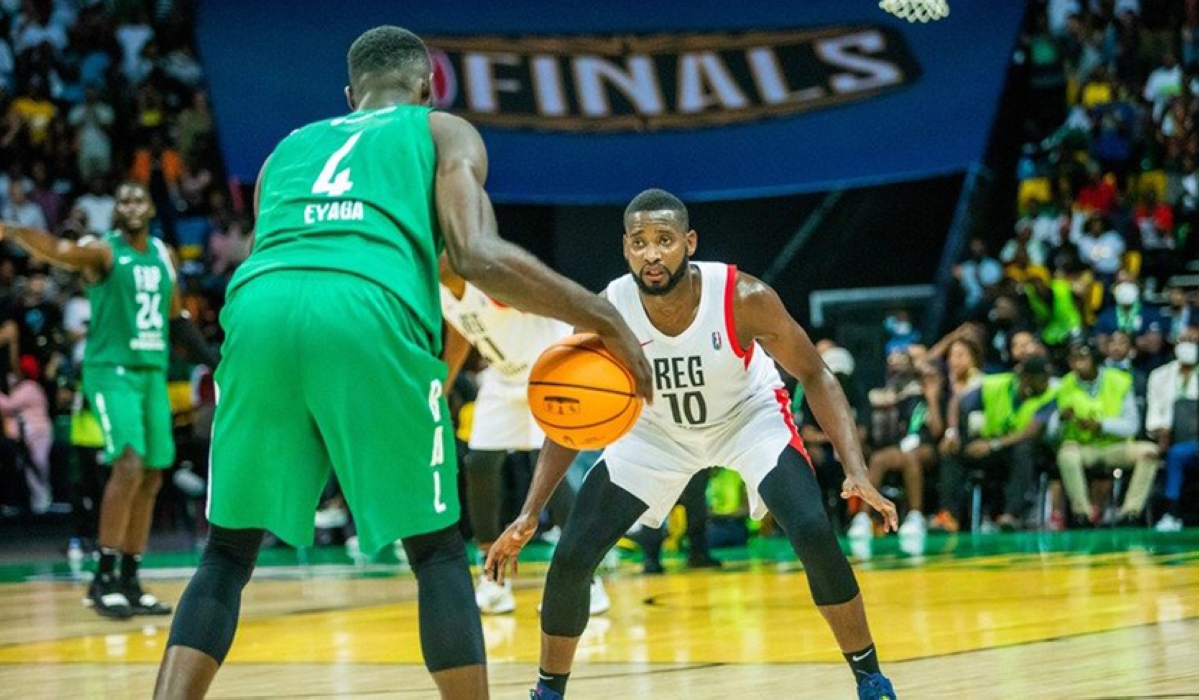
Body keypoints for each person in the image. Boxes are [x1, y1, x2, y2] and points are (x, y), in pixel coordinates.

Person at [150, 26, 651, 700]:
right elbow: (476, 256)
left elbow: (284, 249)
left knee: (226, 553)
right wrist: (603, 315)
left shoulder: (286, 149)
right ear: (427, 87)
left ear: (350, 95)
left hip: (258, 306)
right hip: (368, 307)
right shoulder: (442, 131)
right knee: (438, 552)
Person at [486, 189, 899, 700]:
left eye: (663, 240)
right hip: (655, 435)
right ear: (625, 248)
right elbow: (567, 421)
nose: (652, 254)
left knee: (812, 528)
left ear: (689, 242)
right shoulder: (608, 310)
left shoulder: (743, 297)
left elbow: (815, 373)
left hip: (747, 420)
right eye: (639, 242)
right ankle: (548, 692)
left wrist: (854, 467)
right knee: (571, 557)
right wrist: (530, 513)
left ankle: (871, 678)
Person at [0, 182, 217, 619]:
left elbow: (176, 320)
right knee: (130, 463)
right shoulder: (103, 252)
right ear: (115, 211)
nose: (132, 204)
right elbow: (59, 249)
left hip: (151, 372)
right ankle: (103, 577)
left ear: (152, 206)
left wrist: (217, 360)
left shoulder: (163, 255)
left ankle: (131, 580)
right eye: (124, 199)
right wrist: (14, 231)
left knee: (154, 474)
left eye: (139, 197)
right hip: (111, 371)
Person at [439, 256, 609, 616]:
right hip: (503, 378)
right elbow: (460, 330)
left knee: (548, 475)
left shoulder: (490, 279)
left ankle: (586, 580)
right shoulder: (442, 291)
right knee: (480, 463)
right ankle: (494, 578)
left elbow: (550, 293)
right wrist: (445, 385)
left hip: (548, 368)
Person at [938, 357, 1057, 531]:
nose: (1046, 383)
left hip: (1018, 447)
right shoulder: (995, 385)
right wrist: (952, 432)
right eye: (1041, 378)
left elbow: (1030, 432)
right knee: (951, 451)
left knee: (1023, 451)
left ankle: (1010, 515)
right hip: (991, 442)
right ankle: (948, 515)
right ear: (1026, 377)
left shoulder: (1048, 397)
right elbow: (957, 402)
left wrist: (992, 445)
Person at [1054, 342, 1158, 526]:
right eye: (1073, 359)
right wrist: (1061, 420)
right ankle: (1082, 514)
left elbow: (1132, 426)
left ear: (1094, 359)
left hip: (1116, 446)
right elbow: (1052, 433)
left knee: (1149, 452)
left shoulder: (1119, 381)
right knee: (1066, 455)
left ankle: (1130, 512)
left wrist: (1101, 425)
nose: (1077, 363)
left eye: (1082, 357)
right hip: (1084, 448)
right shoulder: (1065, 384)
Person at [1147, 328, 1199, 532]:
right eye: (1183, 340)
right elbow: (1153, 415)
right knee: (1176, 455)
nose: (1187, 345)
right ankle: (1171, 513)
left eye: (1192, 341)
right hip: (1174, 441)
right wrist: (1161, 431)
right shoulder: (1159, 375)